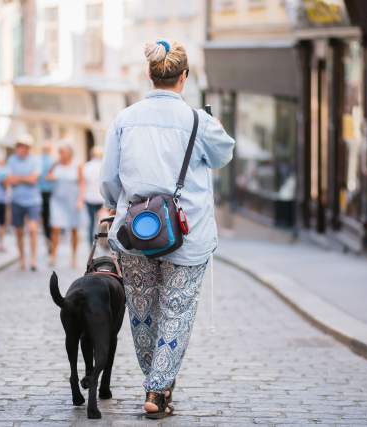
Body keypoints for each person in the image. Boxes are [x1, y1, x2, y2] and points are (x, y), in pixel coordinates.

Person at [100, 39, 235, 418]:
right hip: (186, 232)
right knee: (176, 310)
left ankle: (155, 382)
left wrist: (114, 205)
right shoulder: (199, 120)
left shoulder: (125, 118)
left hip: (136, 232)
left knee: (142, 312)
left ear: (149, 75)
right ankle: (158, 391)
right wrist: (215, 125)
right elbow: (224, 154)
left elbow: (109, 179)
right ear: (184, 78)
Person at [6, 135, 42, 271]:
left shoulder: (35, 160)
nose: (21, 149)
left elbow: (34, 179)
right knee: (19, 231)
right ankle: (22, 258)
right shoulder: (11, 160)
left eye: (23, 147)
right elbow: (9, 180)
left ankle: (33, 259)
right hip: (16, 200)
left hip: (33, 200)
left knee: (33, 229)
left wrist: (18, 179)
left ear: (28, 149)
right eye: (19, 147)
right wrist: (25, 179)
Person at [46, 143, 84, 268]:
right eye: (60, 152)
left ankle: (73, 257)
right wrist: (51, 176)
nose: (60, 154)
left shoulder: (76, 166)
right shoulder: (56, 165)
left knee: (74, 229)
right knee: (55, 228)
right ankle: (53, 255)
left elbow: (82, 184)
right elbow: (47, 177)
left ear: (69, 153)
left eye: (62, 152)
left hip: (72, 201)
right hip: (57, 201)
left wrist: (80, 200)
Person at [83, 146, 105, 246]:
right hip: (101, 198)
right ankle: (102, 242)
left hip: (89, 198)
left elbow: (83, 182)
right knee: (102, 222)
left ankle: (91, 244)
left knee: (91, 222)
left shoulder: (87, 166)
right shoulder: (104, 166)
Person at [39, 143, 55, 250]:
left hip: (40, 192)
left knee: (44, 216)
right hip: (51, 192)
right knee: (51, 216)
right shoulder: (52, 162)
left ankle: (47, 236)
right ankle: (51, 238)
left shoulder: (38, 161)